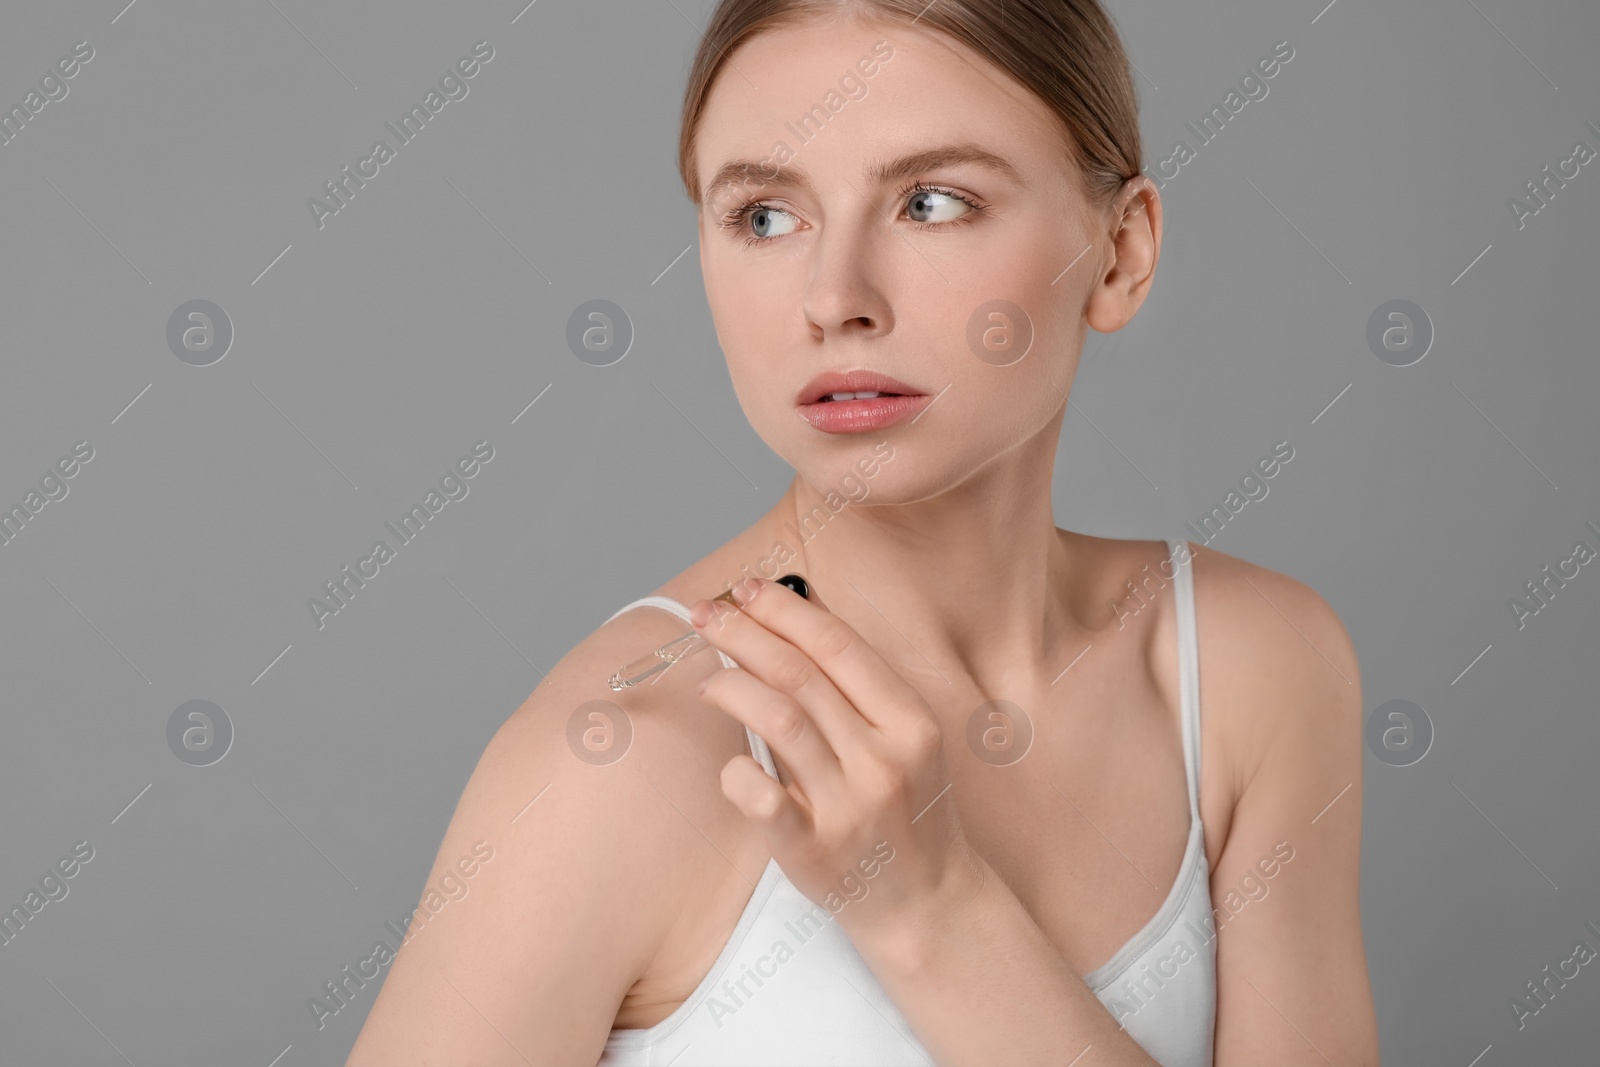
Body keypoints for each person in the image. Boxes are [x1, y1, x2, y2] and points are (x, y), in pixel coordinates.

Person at [348, 1, 1379, 1063]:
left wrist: (934, 915)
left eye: (932, 202)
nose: (833, 297)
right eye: (763, 216)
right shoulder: (618, 765)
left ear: (1118, 255)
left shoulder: (1254, 672)